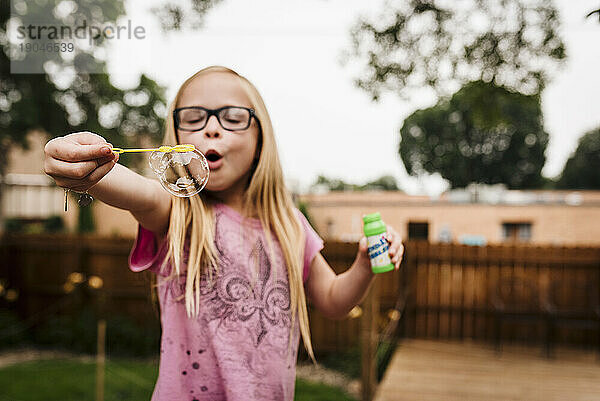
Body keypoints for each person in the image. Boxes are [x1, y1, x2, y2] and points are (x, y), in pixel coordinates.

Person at [44, 66, 404, 400]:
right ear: (176, 141)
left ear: (260, 137)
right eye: (193, 118)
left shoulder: (290, 224)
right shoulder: (179, 214)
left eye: (232, 118)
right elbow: (140, 191)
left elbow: (333, 299)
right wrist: (89, 165)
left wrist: (364, 264)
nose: (211, 128)